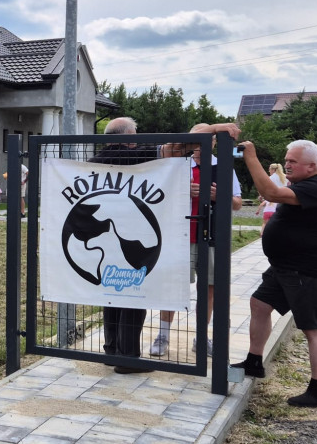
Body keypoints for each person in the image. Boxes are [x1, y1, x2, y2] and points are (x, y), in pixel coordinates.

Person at [91, 117, 240, 373]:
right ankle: (128, 359)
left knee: (111, 294)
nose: (138, 138)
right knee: (133, 292)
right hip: (131, 236)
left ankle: (112, 351)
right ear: (129, 139)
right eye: (136, 135)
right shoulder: (137, 156)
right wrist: (214, 129)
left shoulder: (93, 161)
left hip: (104, 236)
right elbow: (185, 143)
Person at [233, 139, 317, 407]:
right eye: (287, 159)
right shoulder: (302, 185)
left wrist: (251, 157)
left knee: (312, 327)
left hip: (307, 268)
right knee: (259, 304)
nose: (287, 164)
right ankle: (254, 361)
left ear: (311, 165)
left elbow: (271, 192)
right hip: (285, 266)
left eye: (293, 161)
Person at [152, 137, 243, 358]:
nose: (199, 148)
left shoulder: (223, 167)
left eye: (205, 143)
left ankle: (201, 336)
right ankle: (162, 336)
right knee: (173, 286)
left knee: (209, 287)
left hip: (211, 236)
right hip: (180, 236)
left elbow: (238, 203)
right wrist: (183, 192)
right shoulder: (178, 164)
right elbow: (158, 196)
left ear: (213, 143)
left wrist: (219, 196)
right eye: (196, 143)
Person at [255, 163, 287, 234]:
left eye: (269, 169)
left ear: (273, 170)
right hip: (284, 200)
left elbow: (264, 189)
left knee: (269, 222)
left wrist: (261, 196)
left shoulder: (270, 178)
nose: (269, 171)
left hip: (273, 201)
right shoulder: (285, 177)